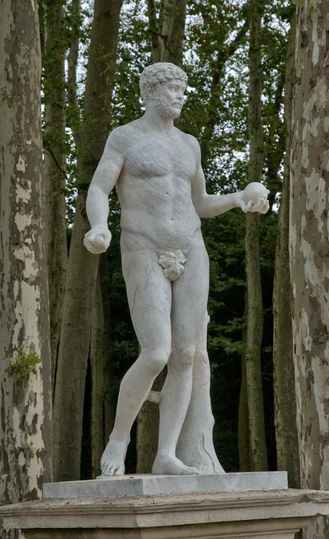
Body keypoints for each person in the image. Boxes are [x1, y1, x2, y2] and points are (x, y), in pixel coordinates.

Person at [84, 62, 269, 476]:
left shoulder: (190, 144)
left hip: (191, 247)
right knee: (155, 353)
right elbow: (99, 187)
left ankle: (166, 455)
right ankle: (119, 438)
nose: (181, 96)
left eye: (183, 89)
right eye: (172, 90)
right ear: (150, 92)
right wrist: (99, 225)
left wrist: (239, 197)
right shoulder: (126, 137)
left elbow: (200, 204)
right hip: (143, 247)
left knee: (186, 353)